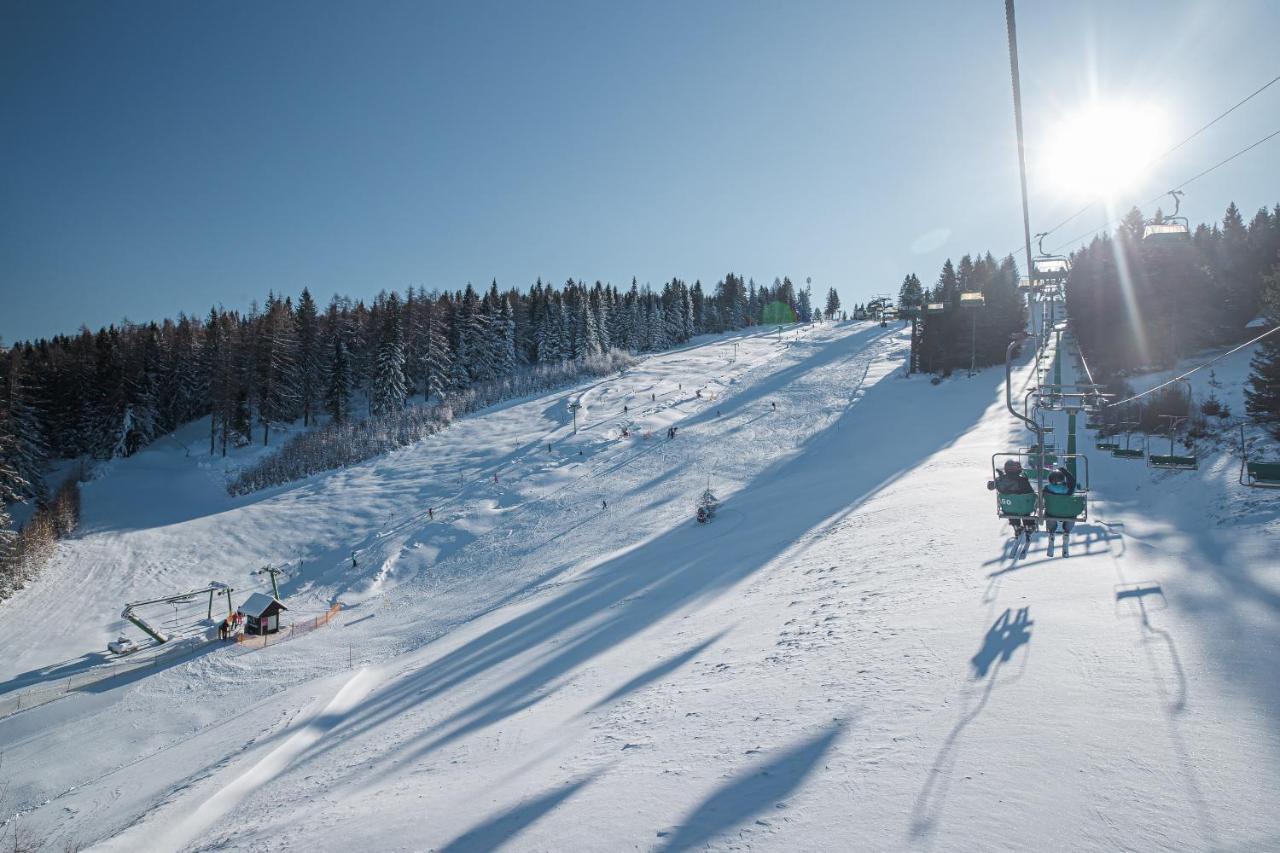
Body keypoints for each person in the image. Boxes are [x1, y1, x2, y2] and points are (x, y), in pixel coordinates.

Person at [987, 459, 1037, 551]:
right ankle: (1028, 525)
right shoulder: (1022, 480)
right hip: (1023, 508)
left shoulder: (1000, 480)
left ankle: (1016, 526)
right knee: (1024, 506)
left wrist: (999, 478)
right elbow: (1030, 493)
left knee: (1012, 508)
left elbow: (990, 487)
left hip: (1008, 508)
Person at [1042, 466, 1077, 557]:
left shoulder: (1047, 489)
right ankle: (1066, 532)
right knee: (1071, 515)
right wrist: (1064, 470)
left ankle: (1051, 532)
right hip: (1068, 513)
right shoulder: (1068, 489)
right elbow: (1072, 480)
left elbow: (1042, 499)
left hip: (1052, 512)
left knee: (1049, 513)